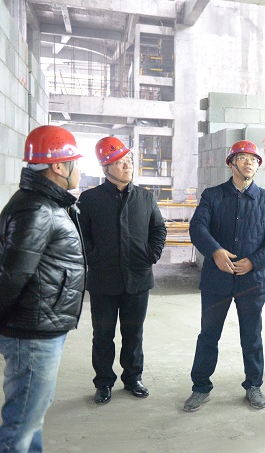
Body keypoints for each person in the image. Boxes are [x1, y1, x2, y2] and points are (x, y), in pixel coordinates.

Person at [0, 125, 85, 451]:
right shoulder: (38, 209)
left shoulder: (45, 203)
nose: (80, 169)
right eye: (76, 162)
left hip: (39, 326)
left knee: (31, 415)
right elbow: (11, 277)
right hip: (32, 333)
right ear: (59, 166)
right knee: (21, 425)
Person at [184, 140, 265, 412]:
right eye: (242, 158)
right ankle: (200, 387)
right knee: (209, 334)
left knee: (252, 336)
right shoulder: (212, 196)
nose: (249, 163)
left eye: (253, 159)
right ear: (231, 163)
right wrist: (215, 251)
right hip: (217, 279)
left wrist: (254, 261)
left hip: (251, 281)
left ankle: (254, 385)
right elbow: (198, 227)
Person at [78, 136, 166, 404]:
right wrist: (94, 257)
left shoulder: (145, 197)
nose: (128, 165)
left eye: (128, 160)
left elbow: (158, 229)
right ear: (105, 168)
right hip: (104, 280)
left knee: (133, 334)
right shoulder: (90, 199)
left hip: (138, 279)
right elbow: (80, 235)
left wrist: (151, 255)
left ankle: (132, 378)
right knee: (103, 335)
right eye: (120, 162)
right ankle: (104, 382)